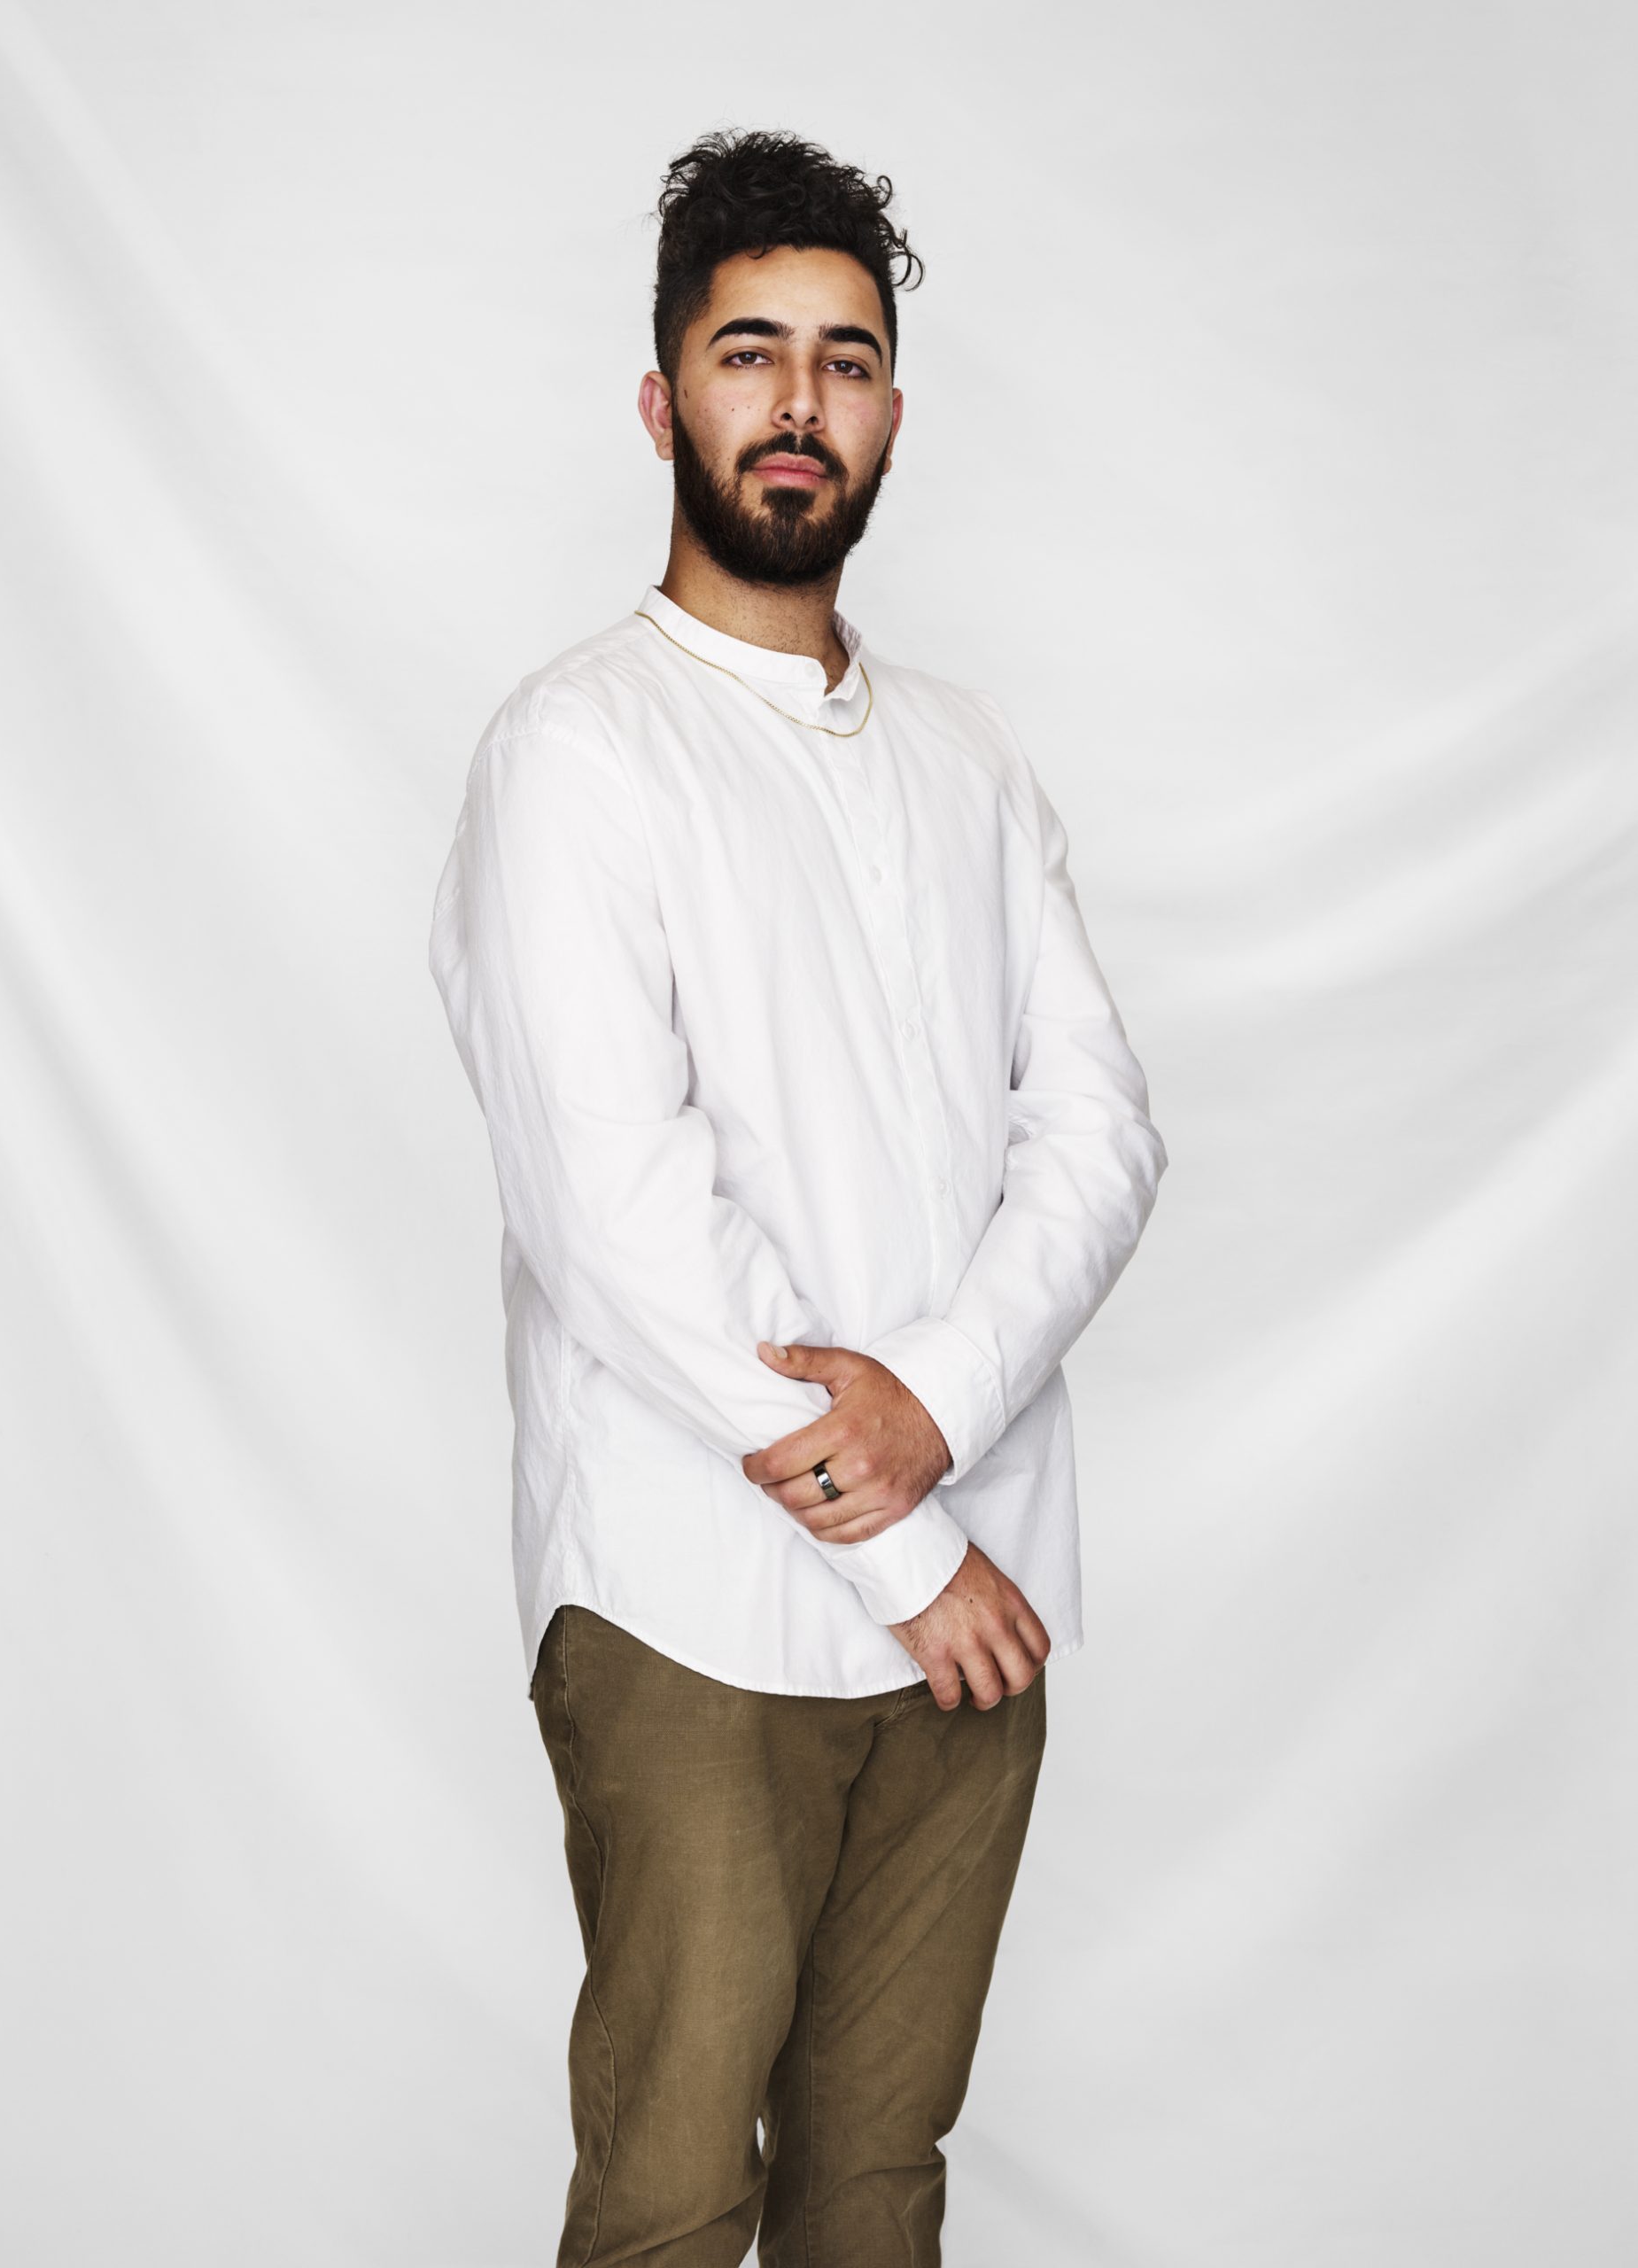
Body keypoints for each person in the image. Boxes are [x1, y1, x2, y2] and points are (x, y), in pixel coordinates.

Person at [429, 126, 1168, 2268]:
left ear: (891, 419)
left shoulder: (968, 753)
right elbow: (619, 1214)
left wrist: (939, 1406)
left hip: (973, 1616)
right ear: (661, 399)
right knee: (673, 2196)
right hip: (695, 1604)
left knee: (876, 2184)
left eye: (844, 361)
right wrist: (909, 1535)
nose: (797, 401)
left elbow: (1099, 1127)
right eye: (748, 352)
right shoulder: (575, 751)